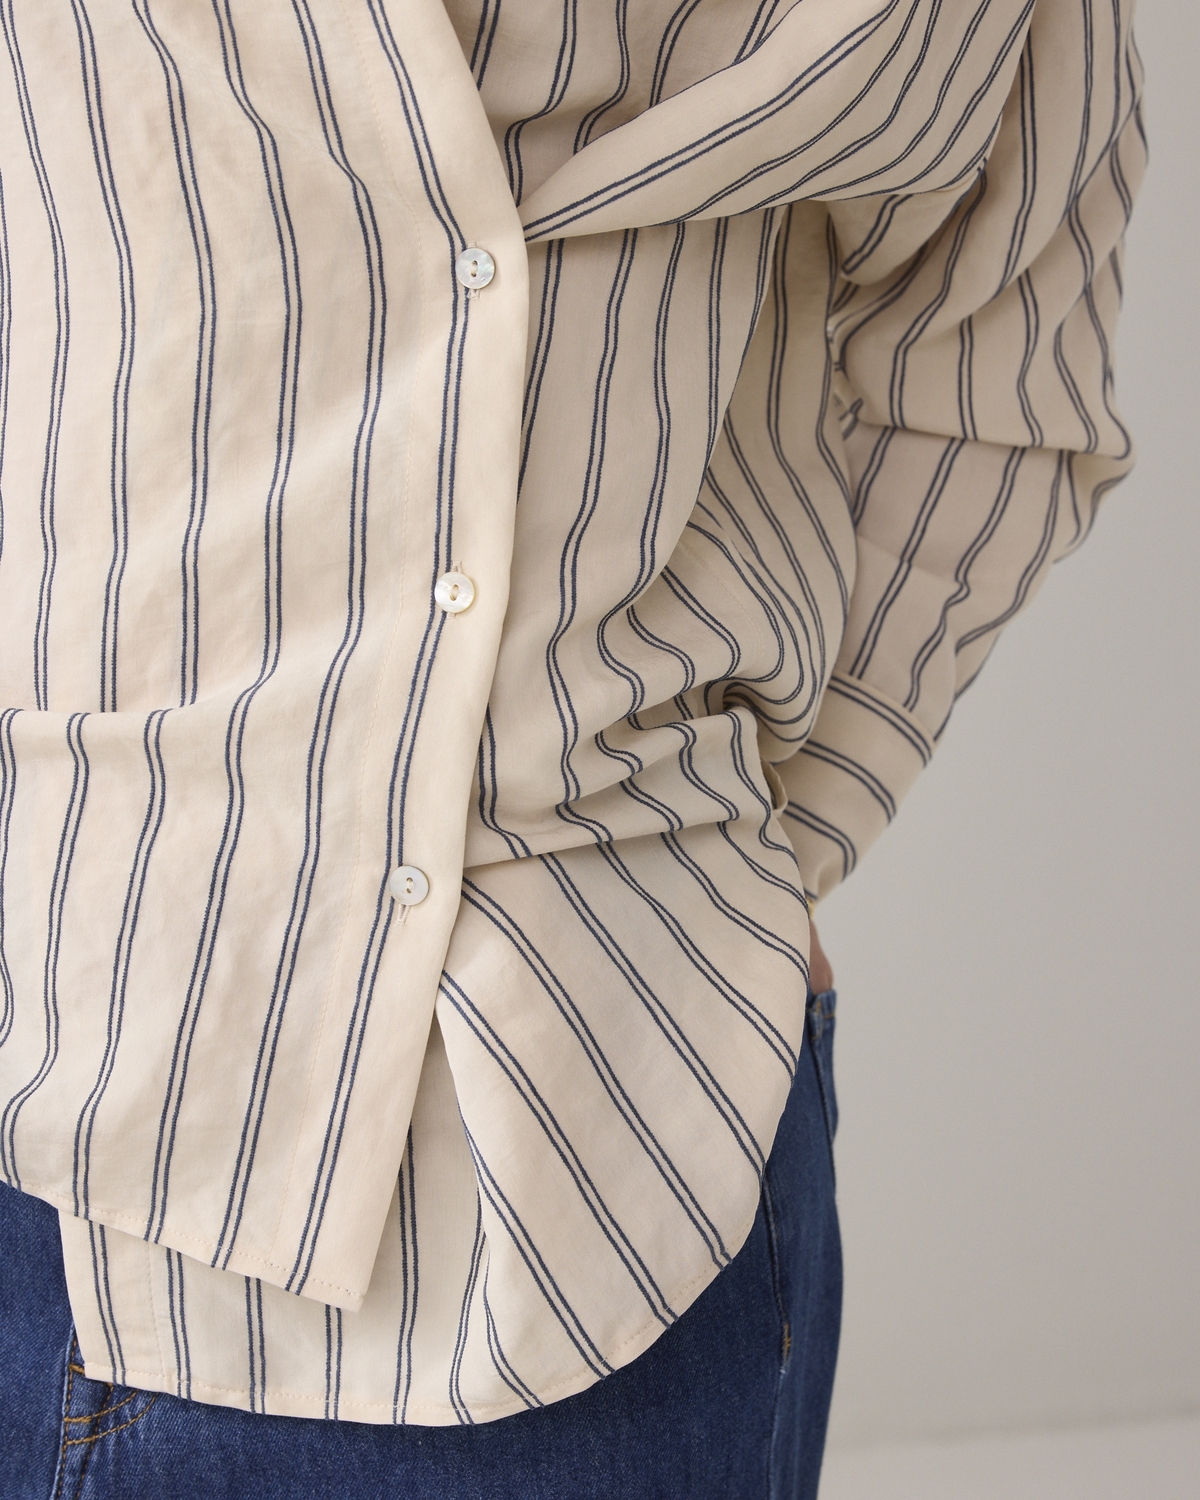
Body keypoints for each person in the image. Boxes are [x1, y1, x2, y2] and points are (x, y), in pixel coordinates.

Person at [0, 1, 1144, 1496]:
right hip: (205, 1041)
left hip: (561, 1146)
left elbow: (998, 368)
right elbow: (1006, 379)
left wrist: (762, 853)